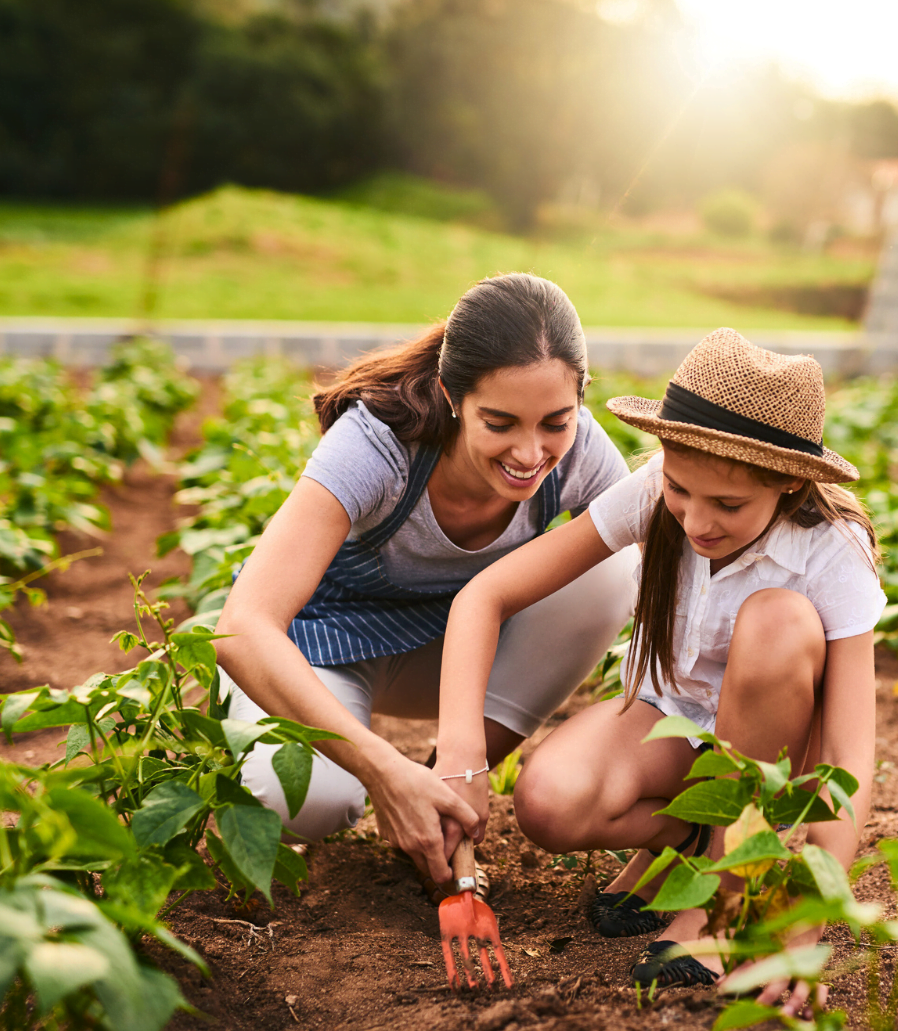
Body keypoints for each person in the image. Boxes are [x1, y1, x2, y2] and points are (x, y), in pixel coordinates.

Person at [436, 327, 884, 1014]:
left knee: (774, 620)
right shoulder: (654, 490)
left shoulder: (833, 551)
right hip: (677, 726)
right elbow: (487, 594)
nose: (696, 521)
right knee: (548, 803)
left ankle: (727, 901)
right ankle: (695, 842)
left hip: (778, 758)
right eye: (680, 490)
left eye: (728, 506)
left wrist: (804, 932)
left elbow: (850, 758)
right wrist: (461, 760)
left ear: (791, 483)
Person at [212, 273, 637, 888]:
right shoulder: (378, 446)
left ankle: (447, 795)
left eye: (555, 421)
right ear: (451, 395)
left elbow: (669, 579)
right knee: (304, 800)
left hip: (456, 656)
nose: (529, 452)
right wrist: (385, 771)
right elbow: (242, 626)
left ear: (580, 397)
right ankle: (341, 759)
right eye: (499, 423)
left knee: (616, 562)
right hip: (327, 650)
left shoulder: (581, 453)